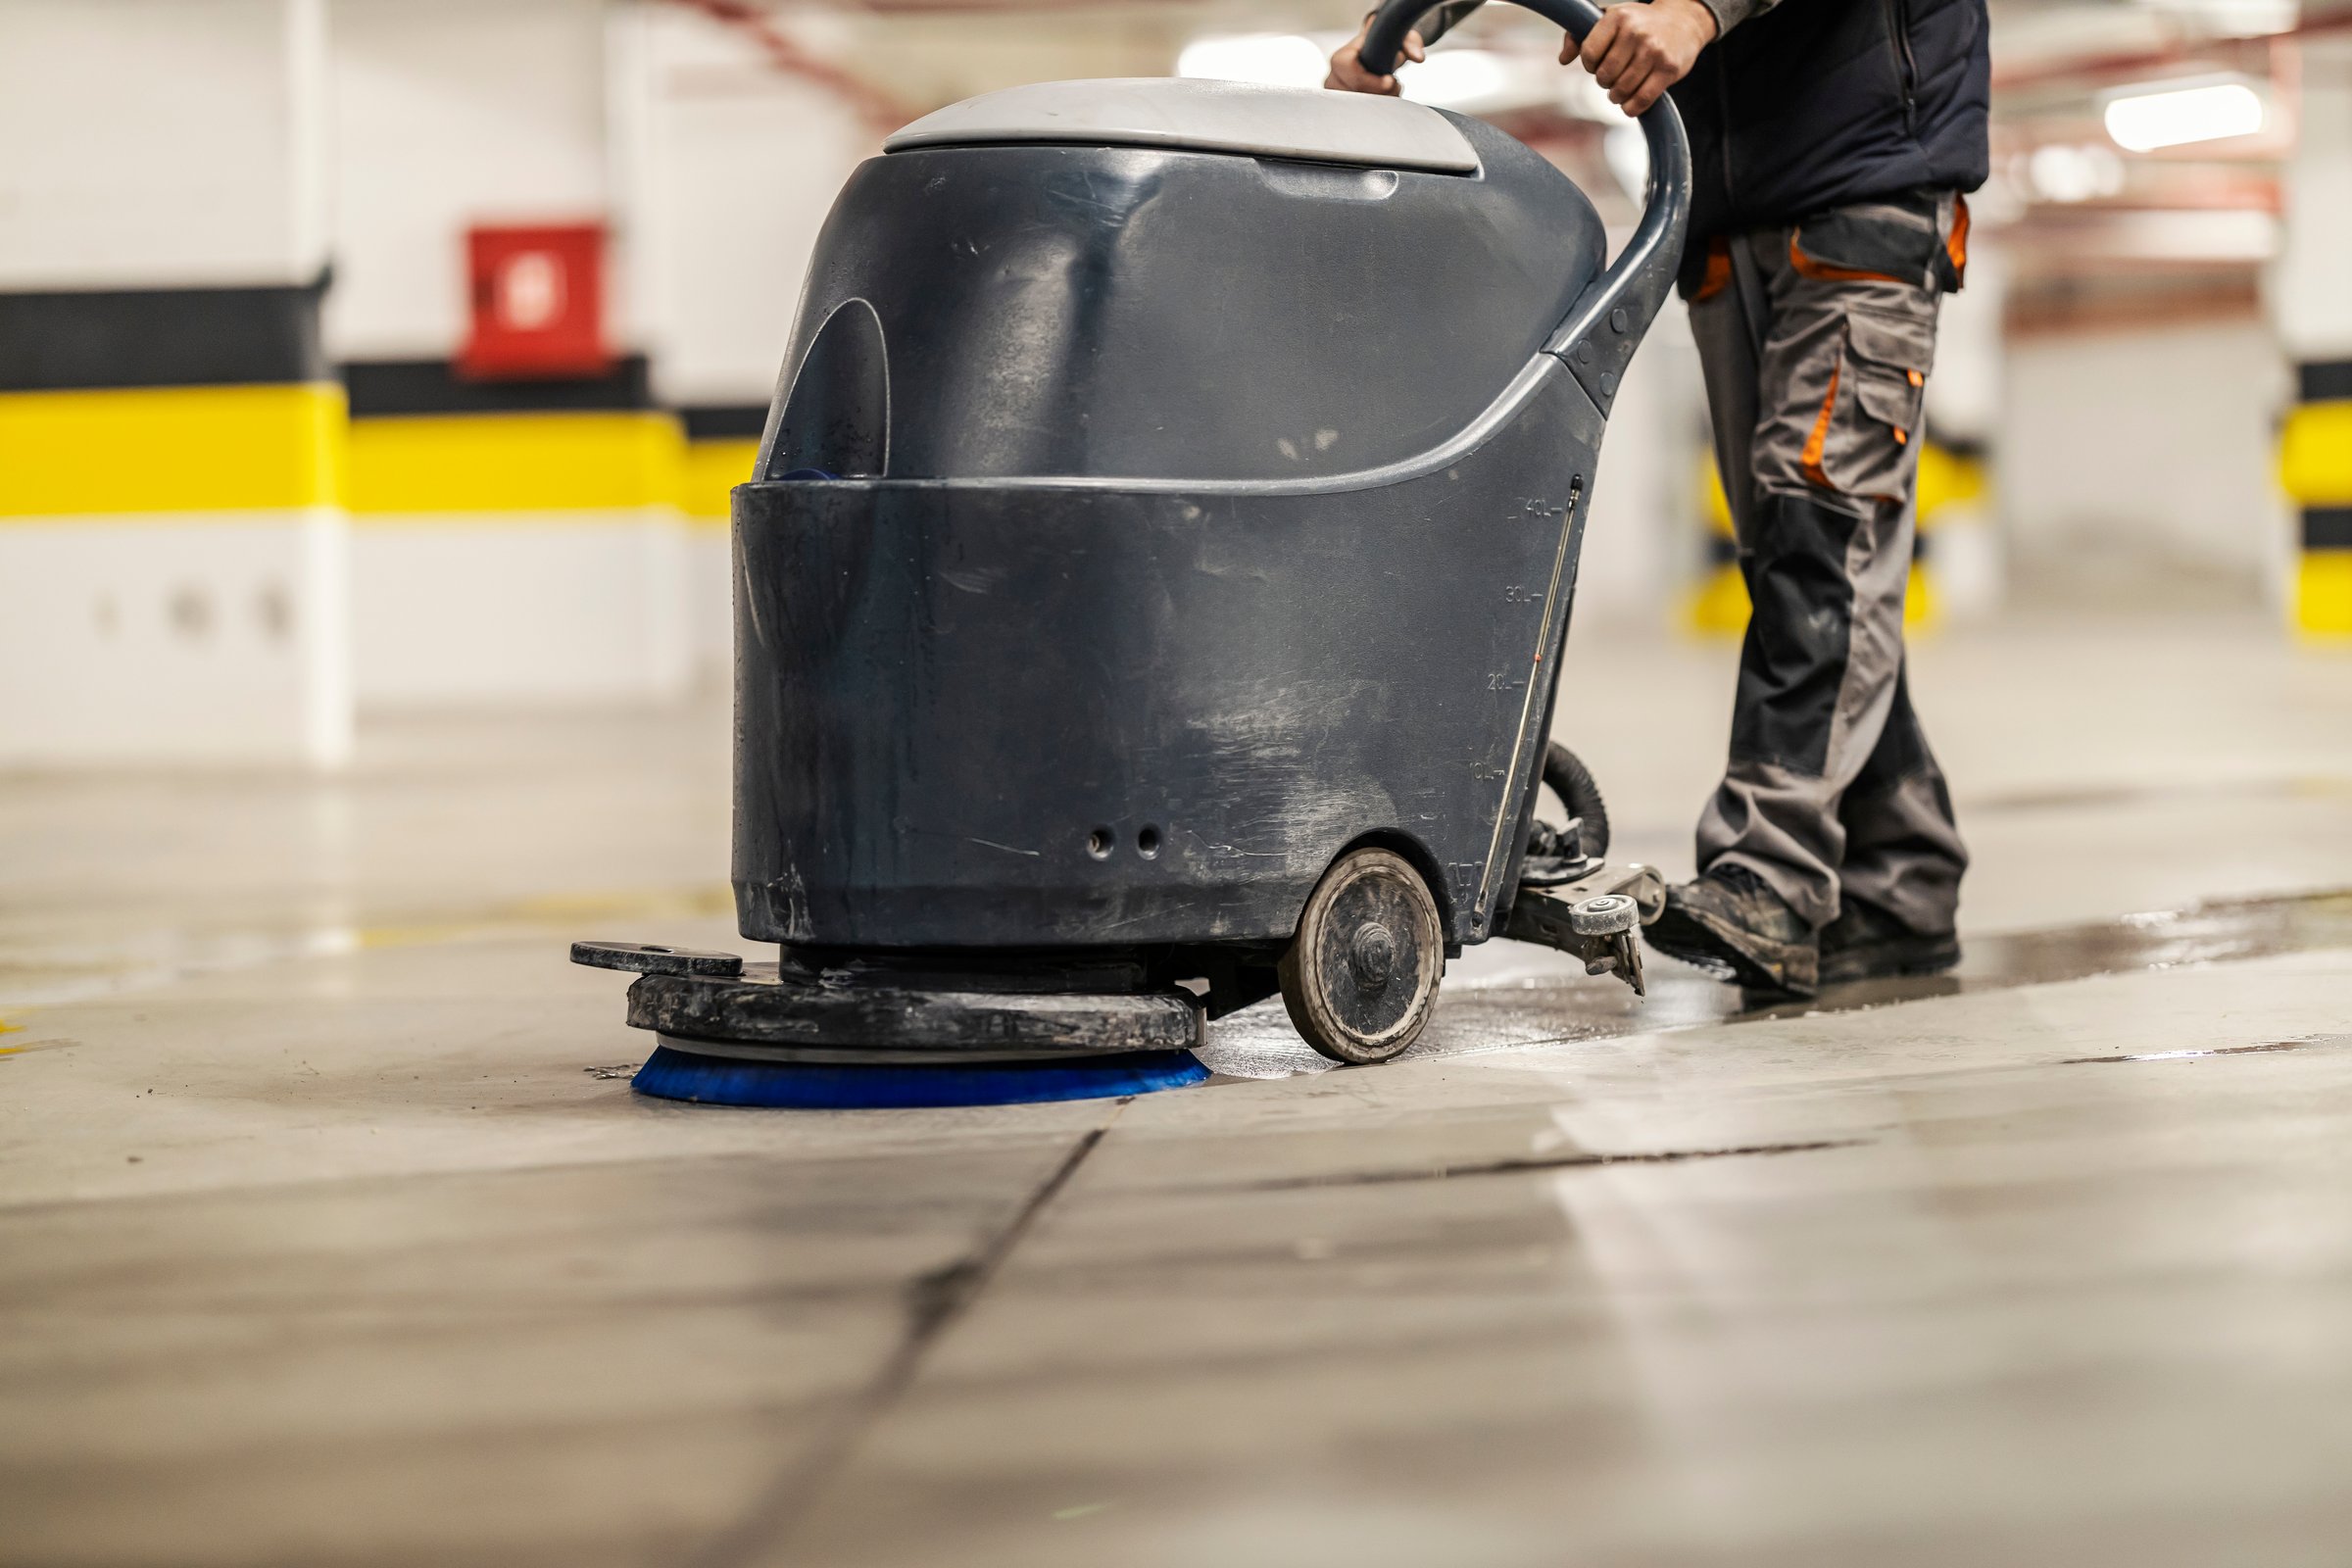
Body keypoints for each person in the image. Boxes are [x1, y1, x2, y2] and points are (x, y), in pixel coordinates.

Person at [1329, 0, 1987, 997]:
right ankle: (1902, 881)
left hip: (1868, 176)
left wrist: (1695, 9)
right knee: (1797, 562)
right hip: (1726, 195)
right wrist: (1402, 27)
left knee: (1821, 535)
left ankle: (1768, 873)